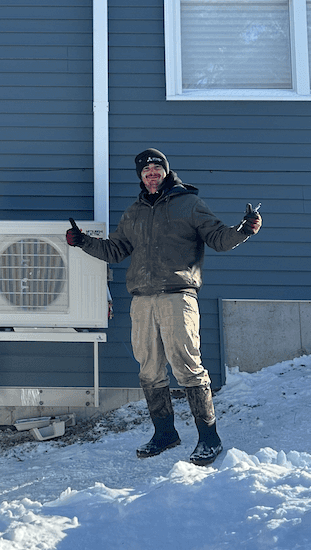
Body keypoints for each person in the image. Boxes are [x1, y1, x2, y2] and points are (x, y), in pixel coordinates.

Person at [66, 147, 261, 465]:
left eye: (156, 168)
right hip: (142, 300)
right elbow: (116, 250)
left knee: (187, 367)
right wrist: (83, 241)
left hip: (177, 297)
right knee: (149, 369)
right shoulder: (134, 213)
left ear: (166, 172)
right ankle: (165, 433)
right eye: (145, 170)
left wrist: (244, 230)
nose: (151, 173)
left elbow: (219, 238)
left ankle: (209, 438)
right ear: (141, 177)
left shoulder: (190, 204)